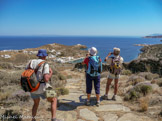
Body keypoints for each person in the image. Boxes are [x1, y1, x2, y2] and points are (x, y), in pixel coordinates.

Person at [26, 49, 61, 121]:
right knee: (54, 99)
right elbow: (46, 79)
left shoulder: (30, 62)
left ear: (38, 55)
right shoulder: (45, 64)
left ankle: (33, 119)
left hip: (32, 87)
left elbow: (26, 73)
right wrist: (51, 73)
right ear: (45, 56)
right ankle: (53, 118)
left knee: (36, 103)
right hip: (42, 86)